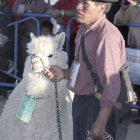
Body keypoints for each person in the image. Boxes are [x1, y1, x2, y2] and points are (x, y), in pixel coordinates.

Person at [44, 0, 125, 139]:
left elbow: (111, 85)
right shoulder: (83, 29)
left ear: (101, 8)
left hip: (98, 106)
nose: (78, 6)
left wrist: (101, 122)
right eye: (79, 1)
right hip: (82, 101)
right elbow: (80, 65)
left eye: (85, 3)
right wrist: (64, 73)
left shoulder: (107, 36)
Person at [46, 0, 79, 66]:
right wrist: (57, 16)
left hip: (77, 40)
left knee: (74, 66)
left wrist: (61, 13)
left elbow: (78, 11)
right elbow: (48, 10)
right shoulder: (62, 1)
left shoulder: (76, 1)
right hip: (68, 40)